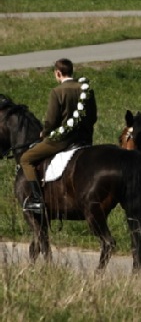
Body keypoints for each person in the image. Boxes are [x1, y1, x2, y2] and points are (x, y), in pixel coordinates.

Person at [19, 58, 97, 214]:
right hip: (83, 138)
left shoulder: (57, 92)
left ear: (58, 73)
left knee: (25, 159)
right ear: (72, 71)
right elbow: (93, 117)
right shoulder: (85, 90)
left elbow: (52, 120)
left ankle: (36, 200)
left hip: (62, 140)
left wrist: (45, 132)